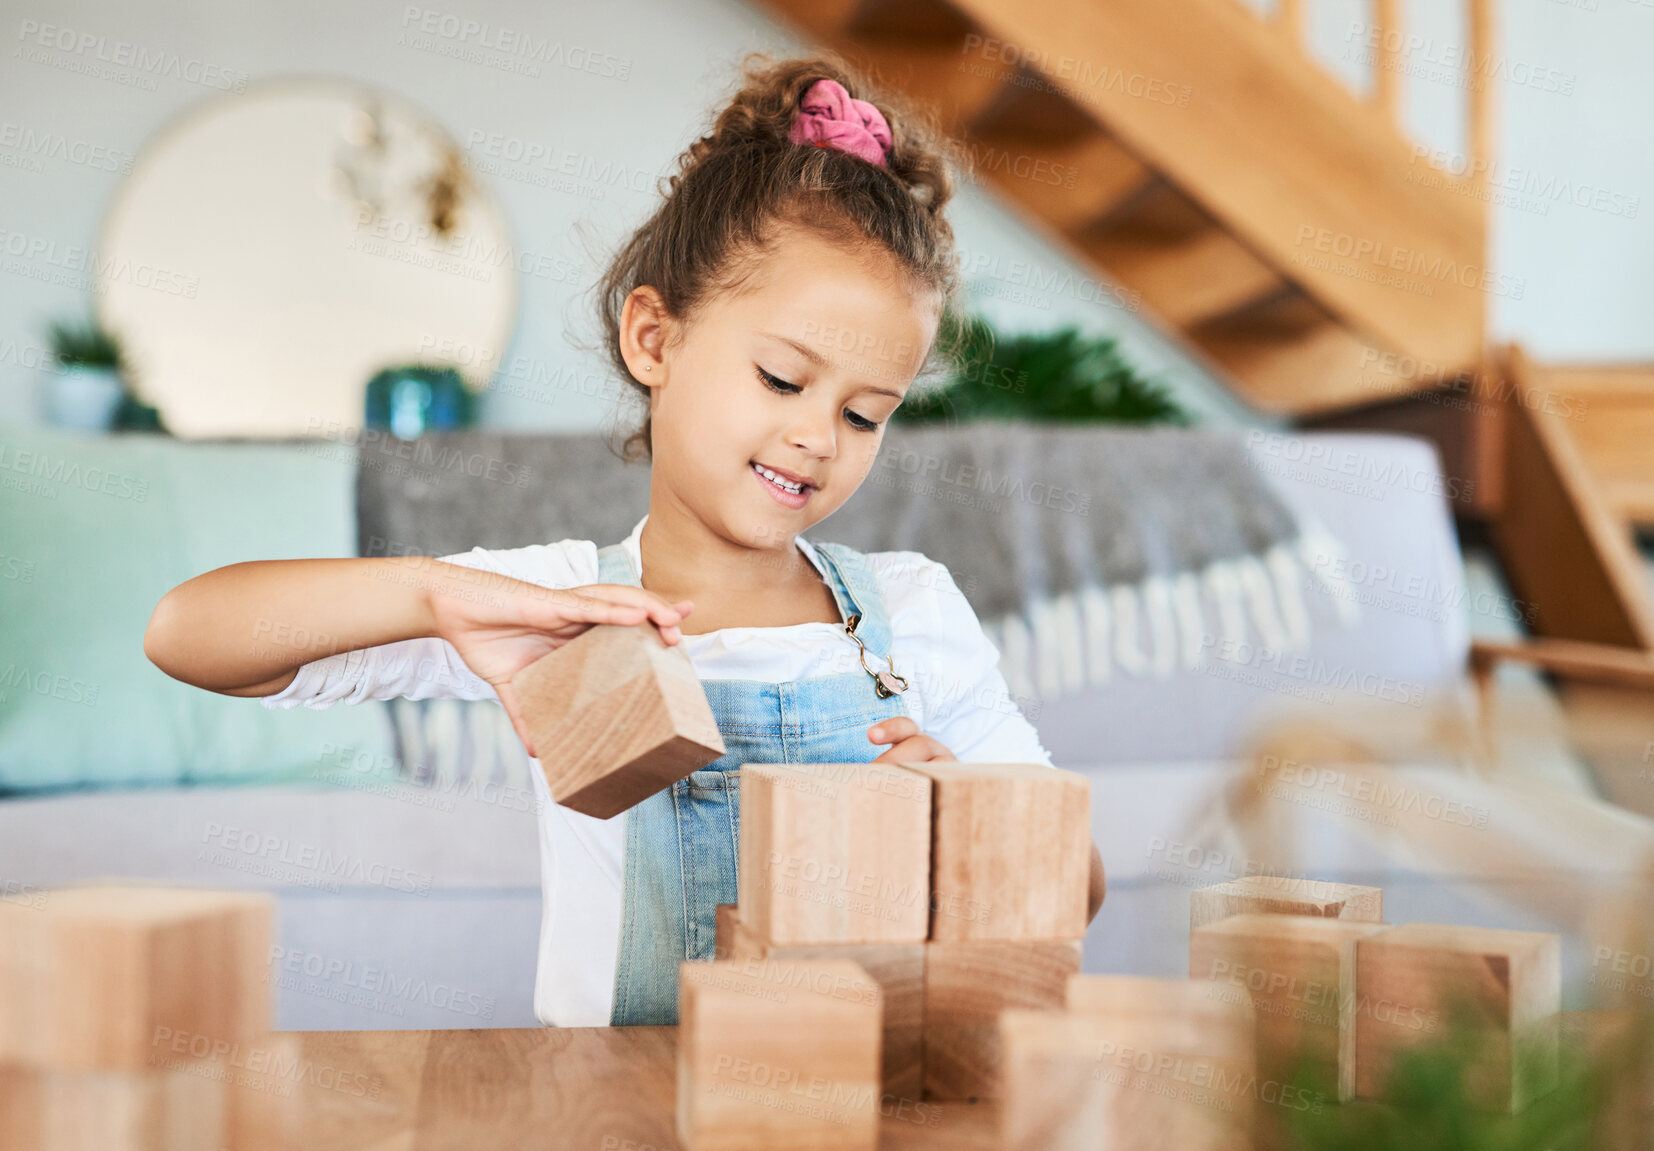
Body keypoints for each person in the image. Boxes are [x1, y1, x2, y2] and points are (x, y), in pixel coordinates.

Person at [143, 53, 1105, 1028]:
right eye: (781, 378)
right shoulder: (555, 609)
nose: (818, 436)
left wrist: (971, 821)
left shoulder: (912, 611)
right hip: (619, 1109)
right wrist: (433, 592)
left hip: (851, 1101)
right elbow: (189, 633)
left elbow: (1081, 888)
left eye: (865, 415)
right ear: (655, 338)